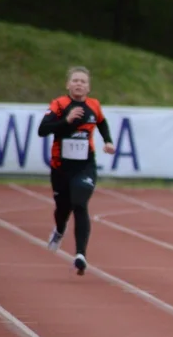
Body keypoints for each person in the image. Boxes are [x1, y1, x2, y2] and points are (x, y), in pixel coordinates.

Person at [37, 66, 115, 276]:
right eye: (75, 80)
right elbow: (42, 130)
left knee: (80, 203)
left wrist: (107, 141)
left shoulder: (94, 105)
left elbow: (102, 122)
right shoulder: (59, 104)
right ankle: (60, 229)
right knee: (62, 209)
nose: (79, 84)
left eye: (83, 81)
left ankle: (80, 255)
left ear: (88, 87)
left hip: (85, 166)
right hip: (61, 168)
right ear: (68, 85)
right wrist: (66, 121)